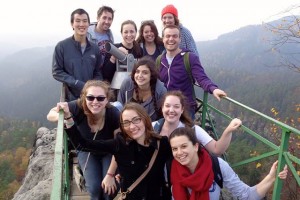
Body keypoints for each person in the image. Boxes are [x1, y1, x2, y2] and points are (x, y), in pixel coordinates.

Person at [64, 102, 173, 200]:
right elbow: (82, 145)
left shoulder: (162, 144)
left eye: (136, 119)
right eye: (126, 122)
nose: (132, 126)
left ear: (144, 119)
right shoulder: (120, 144)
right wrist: (68, 118)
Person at [169, 126, 288, 200]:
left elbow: (246, 196)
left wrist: (271, 177)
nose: (179, 152)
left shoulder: (216, 166)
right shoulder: (170, 170)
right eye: (174, 149)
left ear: (195, 146)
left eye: (184, 146)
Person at [47, 80, 120, 200]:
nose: (95, 102)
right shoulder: (78, 106)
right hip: (86, 150)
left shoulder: (113, 114)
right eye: (90, 97)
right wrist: (64, 117)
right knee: (95, 189)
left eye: (100, 98)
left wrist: (110, 174)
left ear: (107, 100)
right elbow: (50, 114)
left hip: (109, 152)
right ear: (84, 98)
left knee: (109, 191)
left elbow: (119, 146)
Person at [157, 24, 227, 118]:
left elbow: (201, 77)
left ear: (180, 39)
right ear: (163, 39)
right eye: (168, 36)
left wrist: (213, 89)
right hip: (166, 106)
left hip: (185, 107)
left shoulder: (190, 57)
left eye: (175, 36)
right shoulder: (159, 60)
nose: (171, 39)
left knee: (185, 133)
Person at [152, 90, 241, 156]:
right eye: (167, 106)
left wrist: (228, 130)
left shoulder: (192, 130)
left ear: (182, 109)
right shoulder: (152, 127)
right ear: (162, 108)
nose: (171, 110)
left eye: (176, 107)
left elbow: (216, 149)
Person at [52, 8, 102, 101]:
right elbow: (56, 71)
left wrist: (93, 86)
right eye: (78, 21)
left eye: (85, 21)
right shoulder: (62, 46)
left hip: (91, 99)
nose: (81, 24)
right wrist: (75, 83)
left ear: (88, 24)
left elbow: (97, 71)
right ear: (72, 24)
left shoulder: (95, 48)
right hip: (69, 99)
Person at [118, 56, 167, 121]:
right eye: (137, 72)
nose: (140, 75)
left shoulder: (161, 91)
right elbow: (119, 107)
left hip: (151, 128)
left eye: (145, 72)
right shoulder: (127, 83)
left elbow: (163, 118)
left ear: (151, 75)